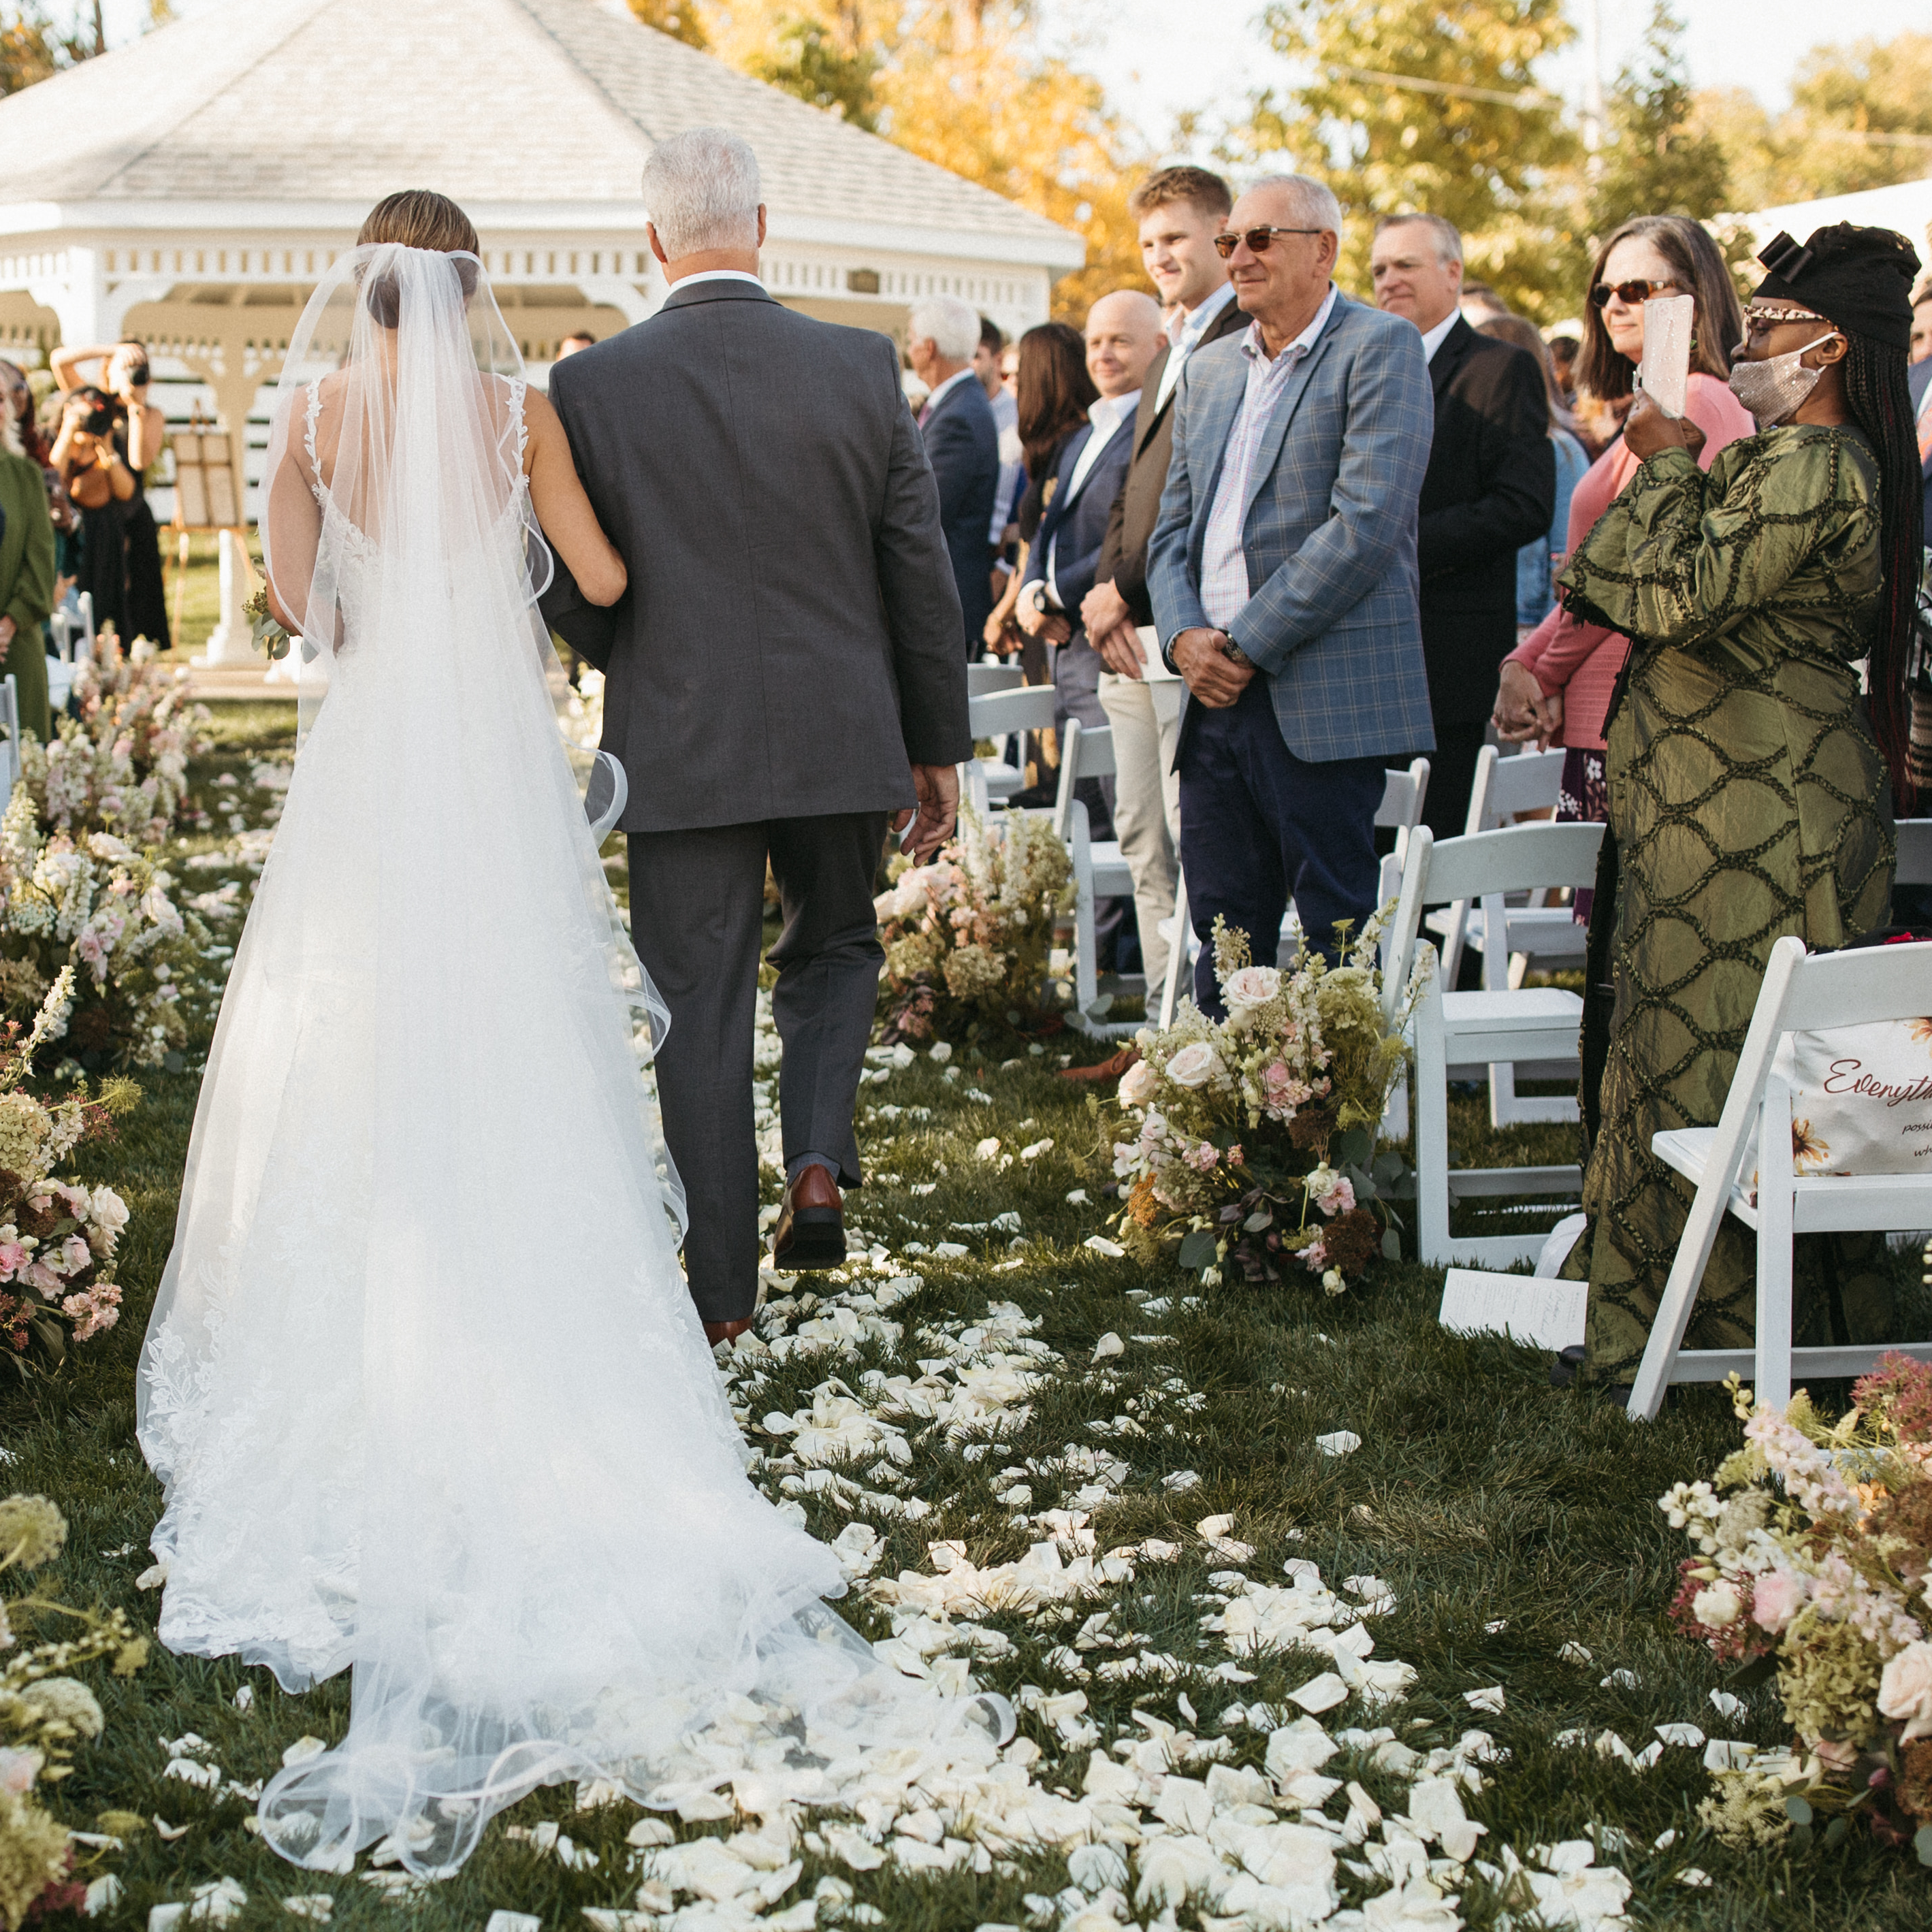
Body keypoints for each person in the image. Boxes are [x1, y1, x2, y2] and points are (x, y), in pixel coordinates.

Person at [139, 178, 1001, 1882]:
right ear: (470, 288)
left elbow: (304, 609)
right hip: (493, 766)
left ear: (364, 284)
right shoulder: (517, 408)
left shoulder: (309, 411)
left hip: (370, 759)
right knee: (525, 1021)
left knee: (347, 1024)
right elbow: (590, 573)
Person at [545, 129, 967, 1327]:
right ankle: (818, 1162)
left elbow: (574, 579)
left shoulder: (591, 384)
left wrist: (630, 657)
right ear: (763, 226)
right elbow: (916, 573)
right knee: (834, 949)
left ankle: (722, 1292)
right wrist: (932, 743)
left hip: (679, 741)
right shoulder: (856, 364)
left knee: (699, 1000)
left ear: (652, 241)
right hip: (841, 729)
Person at [1553, 221, 1921, 1394]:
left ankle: (1723, 1352)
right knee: (1669, 1059)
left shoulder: (1821, 464)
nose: (1746, 339)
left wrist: (1662, 460)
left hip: (1767, 826)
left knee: (1732, 1072)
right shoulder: (1773, 461)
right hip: (1708, 821)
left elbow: (1673, 590)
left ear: (1832, 347)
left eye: (1771, 325)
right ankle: (1657, 1334)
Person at [1148, 174, 1434, 1011]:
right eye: (1229, 240)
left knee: (1336, 937)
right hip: (1212, 699)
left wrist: (1243, 645)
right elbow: (1173, 532)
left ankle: (1337, 1137)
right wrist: (1184, 641)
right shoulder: (1206, 371)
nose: (1237, 256)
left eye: (1260, 239)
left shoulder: (1381, 346)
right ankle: (1225, 1134)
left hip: (1320, 692)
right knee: (1223, 932)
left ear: (1324, 249)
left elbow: (1365, 525)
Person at [1494, 216, 1752, 856]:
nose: (1613, 305)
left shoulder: (1694, 400)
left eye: (1636, 289)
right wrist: (1528, 665)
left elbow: (1638, 572)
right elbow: (1603, 574)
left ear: (1692, 298)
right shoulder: (1656, 403)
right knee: (1605, 939)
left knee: (1632, 942)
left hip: (1648, 721)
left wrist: (1537, 670)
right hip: (1612, 714)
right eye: (1602, 293)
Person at [1078, 165, 1243, 997]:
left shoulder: (1242, 339)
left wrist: (1130, 593)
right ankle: (1159, 1017)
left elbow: (1203, 495)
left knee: (1194, 838)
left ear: (1222, 232)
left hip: (1189, 623)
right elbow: (1132, 496)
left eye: (1175, 237)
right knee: (1141, 834)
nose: (1160, 256)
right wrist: (1105, 595)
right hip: (1127, 641)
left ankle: (1206, 1023)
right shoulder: (1169, 351)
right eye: (1148, 243)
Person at [1370, 213, 1554, 838]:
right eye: (1378, 270)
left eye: (1405, 265)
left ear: (1453, 273)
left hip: (1442, 663)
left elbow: (1524, 504)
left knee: (1430, 860)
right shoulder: (1362, 371)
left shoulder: (1498, 369)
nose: (1388, 280)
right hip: (1355, 662)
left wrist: (1397, 547)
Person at [1017, 290, 1163, 860]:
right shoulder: (1082, 434)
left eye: (1120, 341)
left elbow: (1125, 539)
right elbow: (1046, 527)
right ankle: (1088, 946)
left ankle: (1119, 950)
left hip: (1108, 642)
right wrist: (1032, 590)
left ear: (1159, 346)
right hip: (1060, 648)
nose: (1103, 354)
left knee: (1121, 816)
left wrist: (1054, 594)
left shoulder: (1152, 432)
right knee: (1079, 814)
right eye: (1095, 341)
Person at [982, 321, 1095, 690]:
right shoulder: (1052, 446)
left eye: (1017, 374)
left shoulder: (1077, 445)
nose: (1011, 384)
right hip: (1036, 615)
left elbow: (1043, 542)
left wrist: (1007, 611)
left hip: (1060, 625)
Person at [1475, 312, 1592, 632]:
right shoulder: (1479, 441)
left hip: (1528, 625)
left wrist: (1546, 642)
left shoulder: (1560, 450)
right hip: (1482, 616)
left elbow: (1567, 556)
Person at [53, 339, 168, 648]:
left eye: (139, 367)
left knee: (132, 614)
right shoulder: (94, 402)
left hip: (130, 516)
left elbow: (138, 461)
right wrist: (111, 350)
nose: (132, 371)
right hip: (93, 517)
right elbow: (59, 361)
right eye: (127, 365)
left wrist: (136, 407)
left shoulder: (149, 414)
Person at [907, 294, 999, 655]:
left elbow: (926, 508)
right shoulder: (958, 403)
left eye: (912, 339)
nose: (909, 348)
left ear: (928, 349)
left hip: (946, 600)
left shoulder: (959, 415)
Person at [48, 385, 135, 643]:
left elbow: (126, 491)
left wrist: (106, 447)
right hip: (67, 536)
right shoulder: (51, 440)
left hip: (104, 536)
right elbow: (52, 477)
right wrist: (68, 432)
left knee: (106, 605)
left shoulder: (107, 444)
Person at [0, 378, 54, 743]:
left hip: (13, 648)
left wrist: (7, 625)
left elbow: (40, 568)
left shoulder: (26, 476)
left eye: (0, 397)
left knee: (20, 790)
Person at [974, 315, 1024, 609]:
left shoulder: (1018, 418)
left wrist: (1005, 568)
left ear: (997, 359)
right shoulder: (953, 414)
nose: (968, 366)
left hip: (1002, 561)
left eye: (976, 357)